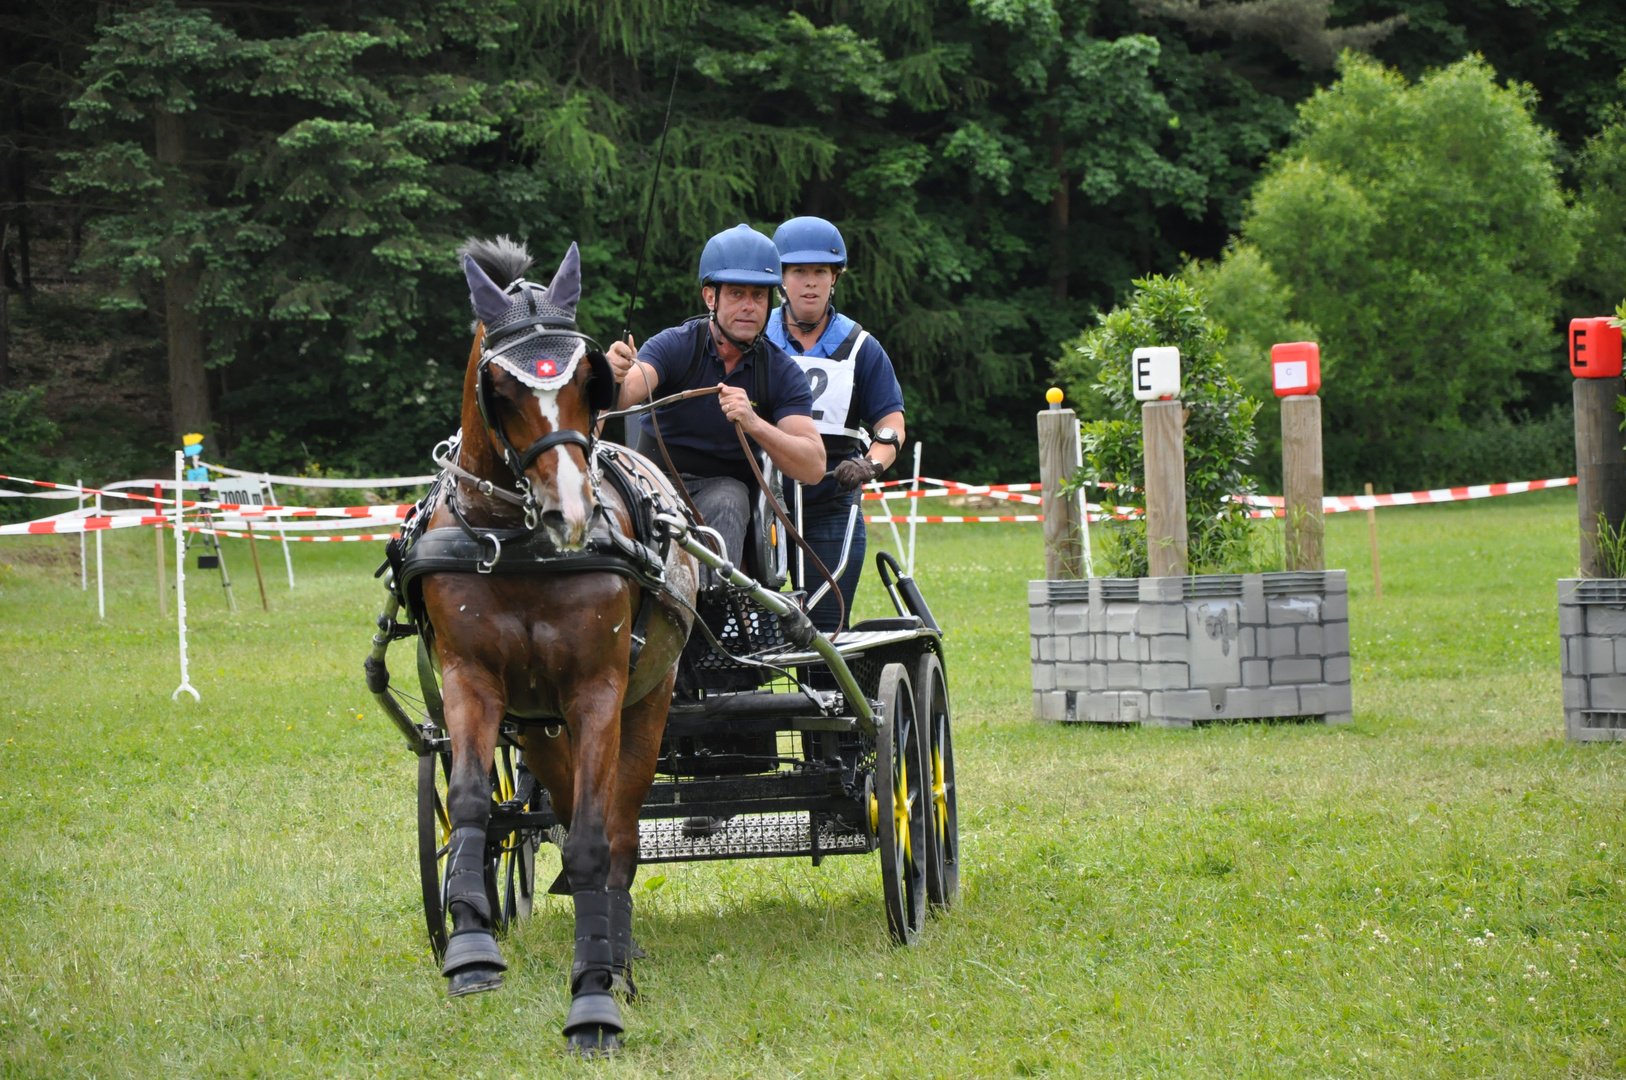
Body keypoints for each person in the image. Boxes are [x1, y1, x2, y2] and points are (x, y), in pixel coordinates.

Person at [605, 224, 824, 579]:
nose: (749, 307)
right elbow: (628, 392)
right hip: (652, 483)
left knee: (728, 497)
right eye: (736, 293)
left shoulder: (782, 373)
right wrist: (612, 373)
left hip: (724, 494)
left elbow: (813, 465)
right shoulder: (675, 344)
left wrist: (754, 424)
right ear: (711, 297)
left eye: (759, 295)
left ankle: (711, 616)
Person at [765, 216, 906, 632]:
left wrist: (871, 464)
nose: (810, 283)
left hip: (831, 503)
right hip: (761, 504)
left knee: (824, 632)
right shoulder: (754, 338)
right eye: (799, 272)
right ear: (782, 280)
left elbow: (892, 421)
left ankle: (826, 696)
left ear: (834, 279)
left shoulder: (863, 346)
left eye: (820, 272)